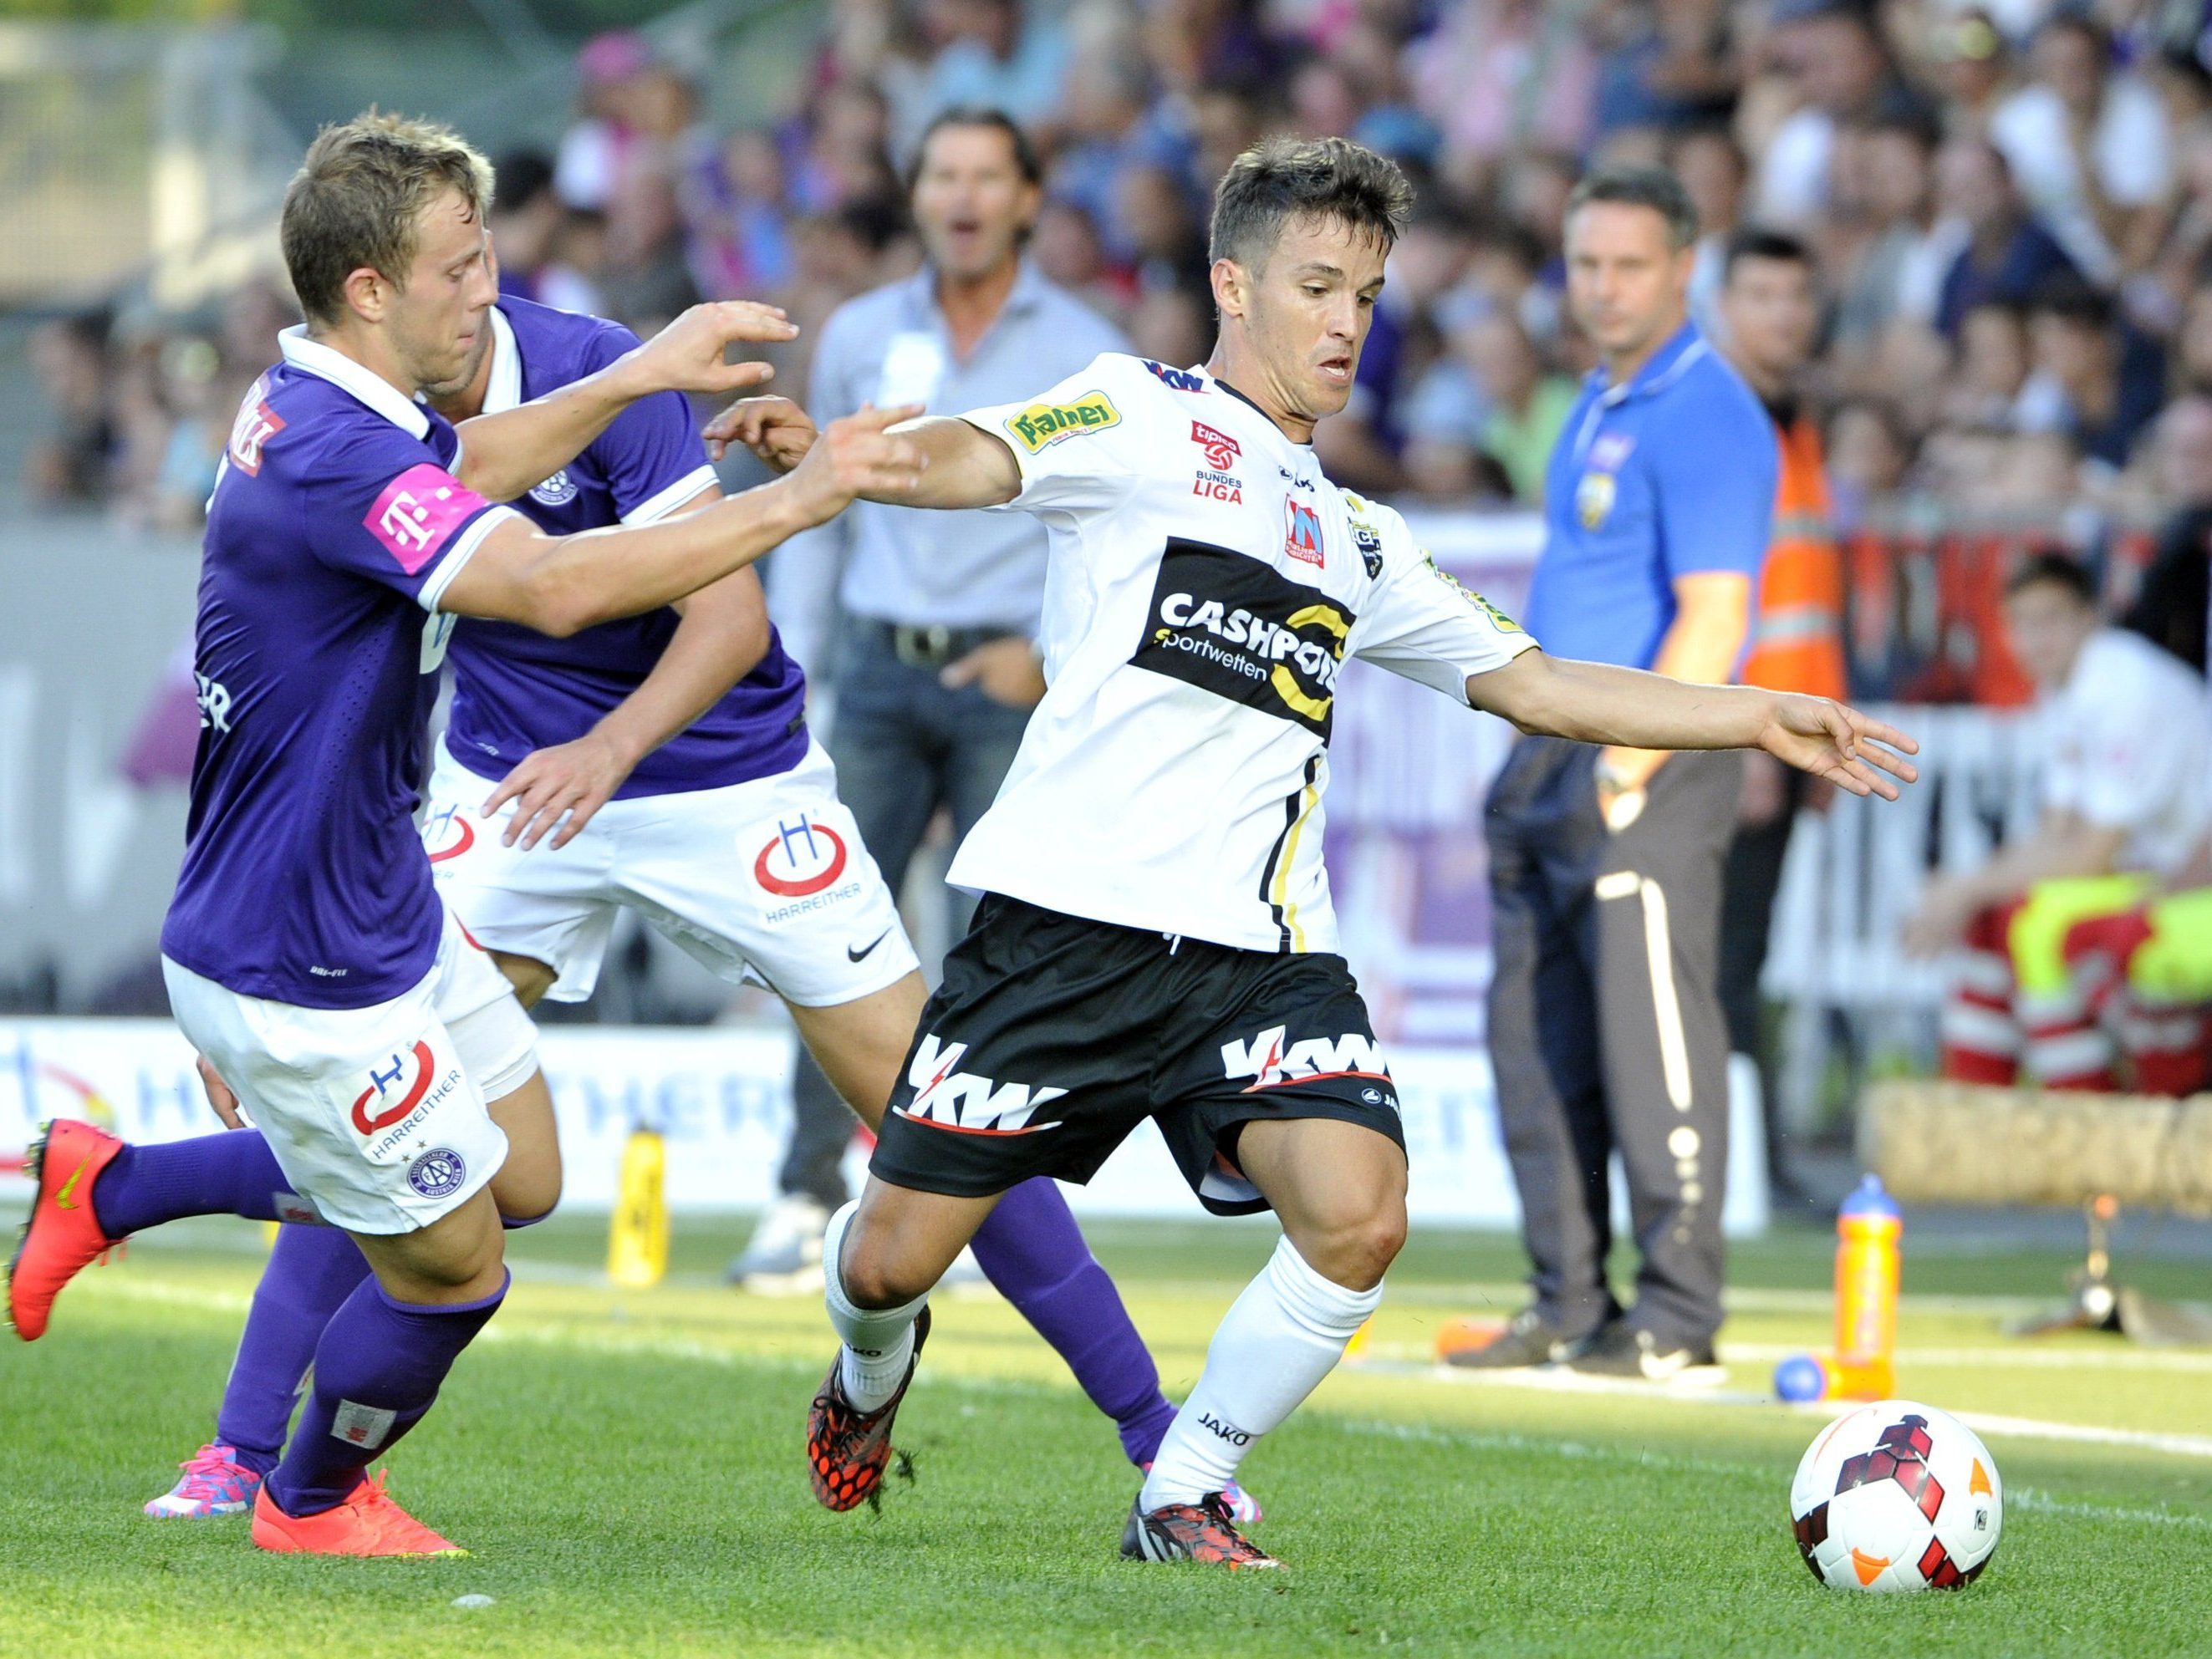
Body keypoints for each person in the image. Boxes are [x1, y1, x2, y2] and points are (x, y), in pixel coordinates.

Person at [711, 135, 1915, 1568]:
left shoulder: (1360, 537)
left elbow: (1534, 681)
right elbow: (984, 455)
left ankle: (1184, 1486)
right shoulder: (1135, 413)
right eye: (1320, 286)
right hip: (1062, 929)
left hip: (1258, 953)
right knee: (883, 1261)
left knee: (1360, 1216)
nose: (1349, 322)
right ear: (1234, 283)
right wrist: (858, 463)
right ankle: (863, 1373)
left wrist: (1752, 715)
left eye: (1369, 294)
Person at [5, 111, 925, 1557]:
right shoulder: (330, 455)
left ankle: (116, 1183)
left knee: (524, 1177)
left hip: (375, 902)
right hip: (299, 945)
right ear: (369, 288)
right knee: (455, 1271)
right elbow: (553, 589)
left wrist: (633, 374)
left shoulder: (336, 404)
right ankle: (306, 1500)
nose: (486, 286)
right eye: (460, 264)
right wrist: (805, 497)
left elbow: (478, 456)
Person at [141, 271, 1204, 1520]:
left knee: (942, 1113)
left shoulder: (609, 375)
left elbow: (729, 622)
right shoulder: (357, 417)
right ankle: (238, 1450)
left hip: (722, 779)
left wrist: (609, 751)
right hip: (510, 785)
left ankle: (1158, 1444)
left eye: (475, 259)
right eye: (447, 262)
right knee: (383, 1089)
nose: (467, 286)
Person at [731, 107, 1125, 1294]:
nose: (959, 196)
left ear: (1026, 198)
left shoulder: (1084, 347)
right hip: (876, 668)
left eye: (983, 176)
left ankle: (959, 1200)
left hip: (1008, 675)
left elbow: (1105, 528)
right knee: (823, 935)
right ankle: (805, 1193)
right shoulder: (856, 333)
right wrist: (793, 656)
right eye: (939, 174)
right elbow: (815, 503)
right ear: (915, 196)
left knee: (991, 953)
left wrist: (1048, 659)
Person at [1458, 165, 1779, 1385]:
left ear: (1682, 267)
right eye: (1584, 263)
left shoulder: (1705, 411)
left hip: (1639, 756)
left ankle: (1678, 1315)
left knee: (1649, 1037)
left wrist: (1629, 765)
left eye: (1626, 265)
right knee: (1532, 1042)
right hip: (1547, 746)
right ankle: (1567, 1301)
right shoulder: (1596, 397)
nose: (1600, 287)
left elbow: (1713, 614)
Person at [1908, 554, 2211, 1090]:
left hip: (2188, 885)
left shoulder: (2122, 687)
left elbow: (2093, 854)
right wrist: (1966, 890)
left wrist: (1963, 887)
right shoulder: (2070, 691)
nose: (2034, 639)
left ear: (2089, 618)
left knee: (2036, 923)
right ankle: (1979, 1110)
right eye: (2022, 622)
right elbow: (2056, 835)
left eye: (2051, 619)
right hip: (2160, 875)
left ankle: (2082, 1119)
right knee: (1993, 916)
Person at [1713, 226, 1849, 1207]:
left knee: (1743, 951)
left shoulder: (1788, 418)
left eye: (1796, 297)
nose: (1784, 316)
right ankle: (1733, 1162)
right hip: (1747, 730)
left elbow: (1801, 593)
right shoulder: (1728, 419)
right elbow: (1724, 592)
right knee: (1724, 956)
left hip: (1787, 728)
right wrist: (1751, 730)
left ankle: (1738, 1158)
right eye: (1763, 296)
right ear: (1728, 306)